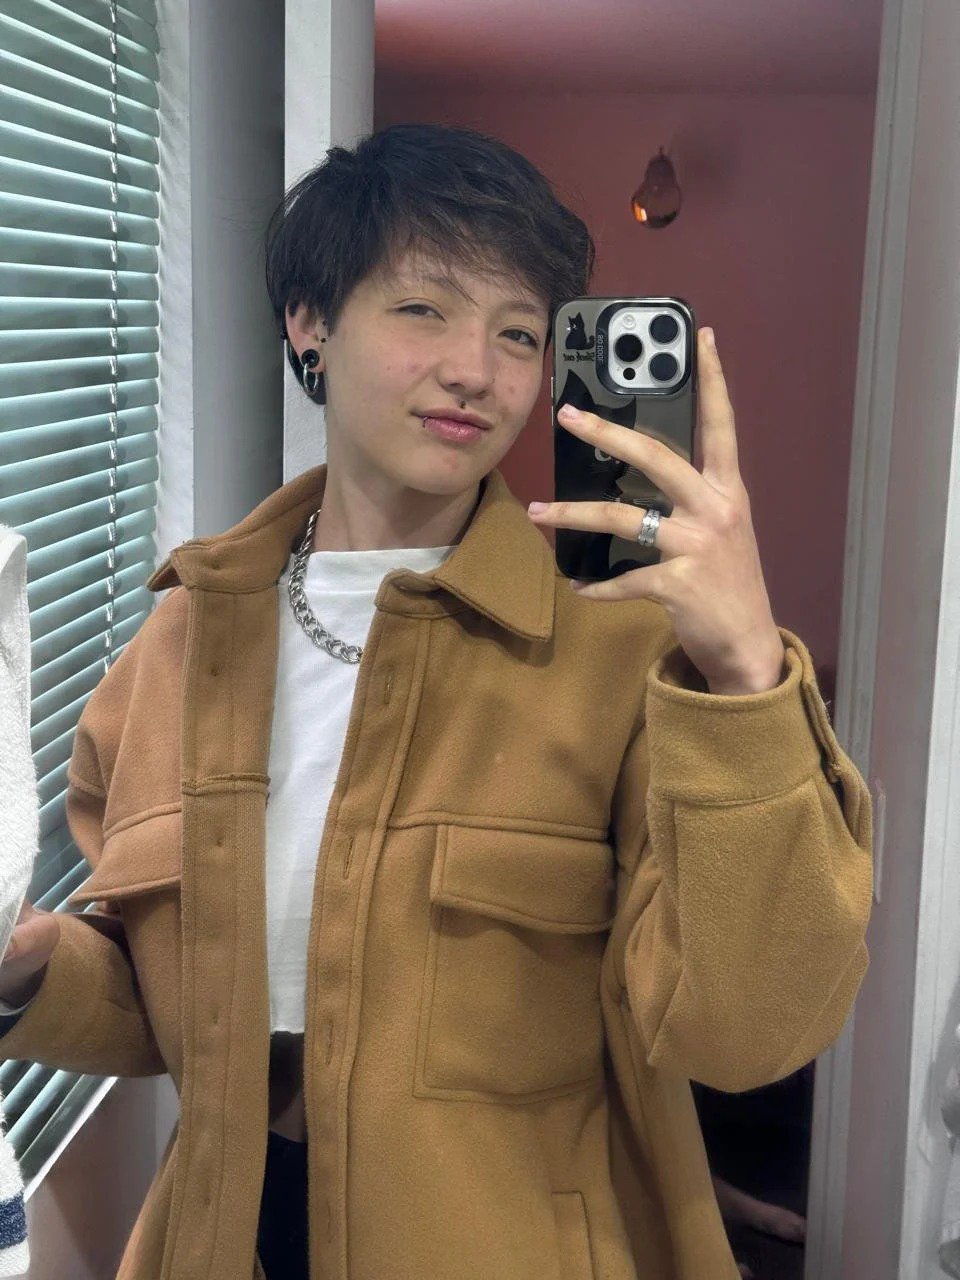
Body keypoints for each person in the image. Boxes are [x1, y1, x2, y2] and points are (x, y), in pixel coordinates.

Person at [0, 124, 873, 1280]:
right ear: (309, 323)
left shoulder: (620, 657)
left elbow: (749, 1030)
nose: (478, 368)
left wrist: (751, 678)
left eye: (519, 331)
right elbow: (171, 998)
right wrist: (30, 967)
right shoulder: (182, 645)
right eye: (424, 309)